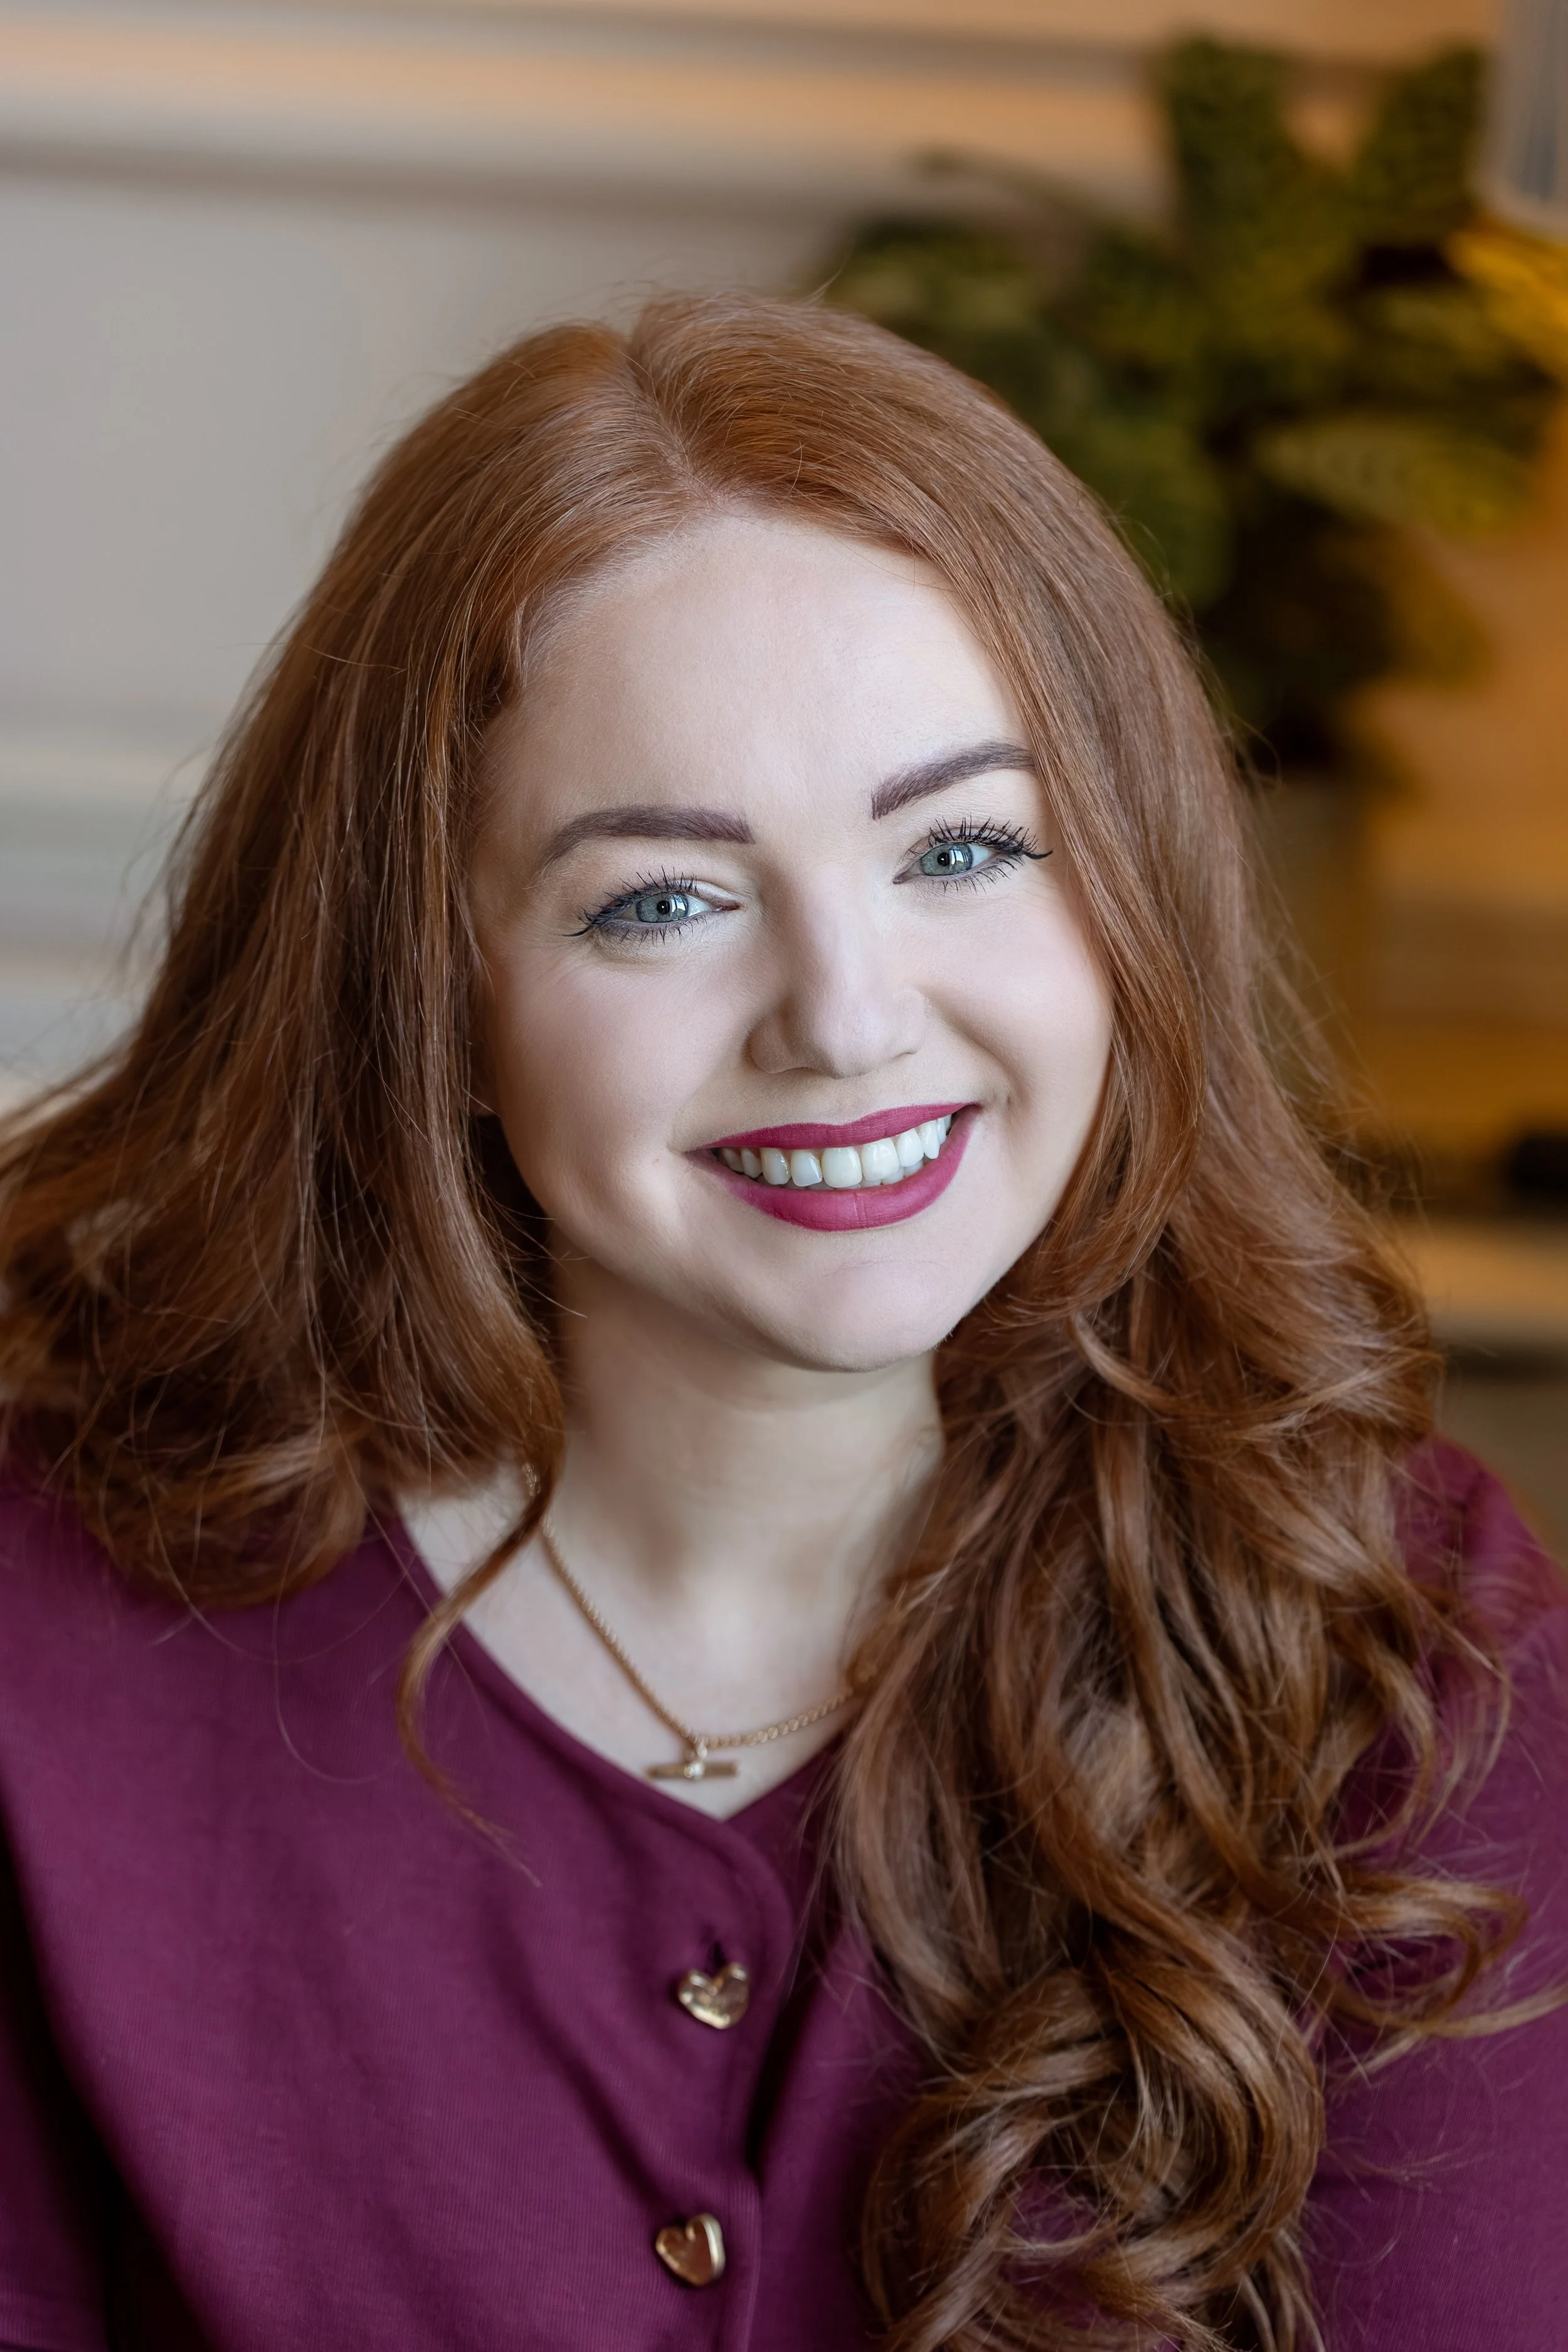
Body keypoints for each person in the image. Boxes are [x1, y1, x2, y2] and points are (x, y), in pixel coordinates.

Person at [0, 294, 1562, 2352]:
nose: (844, 1014)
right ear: (434, 997)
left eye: (965, 848)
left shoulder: (1401, 1633)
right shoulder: (54, 1629)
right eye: (661, 896)